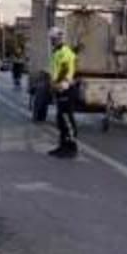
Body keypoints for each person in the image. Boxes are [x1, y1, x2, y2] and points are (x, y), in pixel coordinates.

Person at [48, 27, 78, 158]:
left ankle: (71, 148)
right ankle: (62, 145)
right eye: (52, 39)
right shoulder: (57, 52)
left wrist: (58, 83)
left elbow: (65, 70)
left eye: (53, 39)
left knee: (67, 118)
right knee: (61, 119)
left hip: (65, 88)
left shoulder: (65, 52)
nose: (52, 41)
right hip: (59, 88)